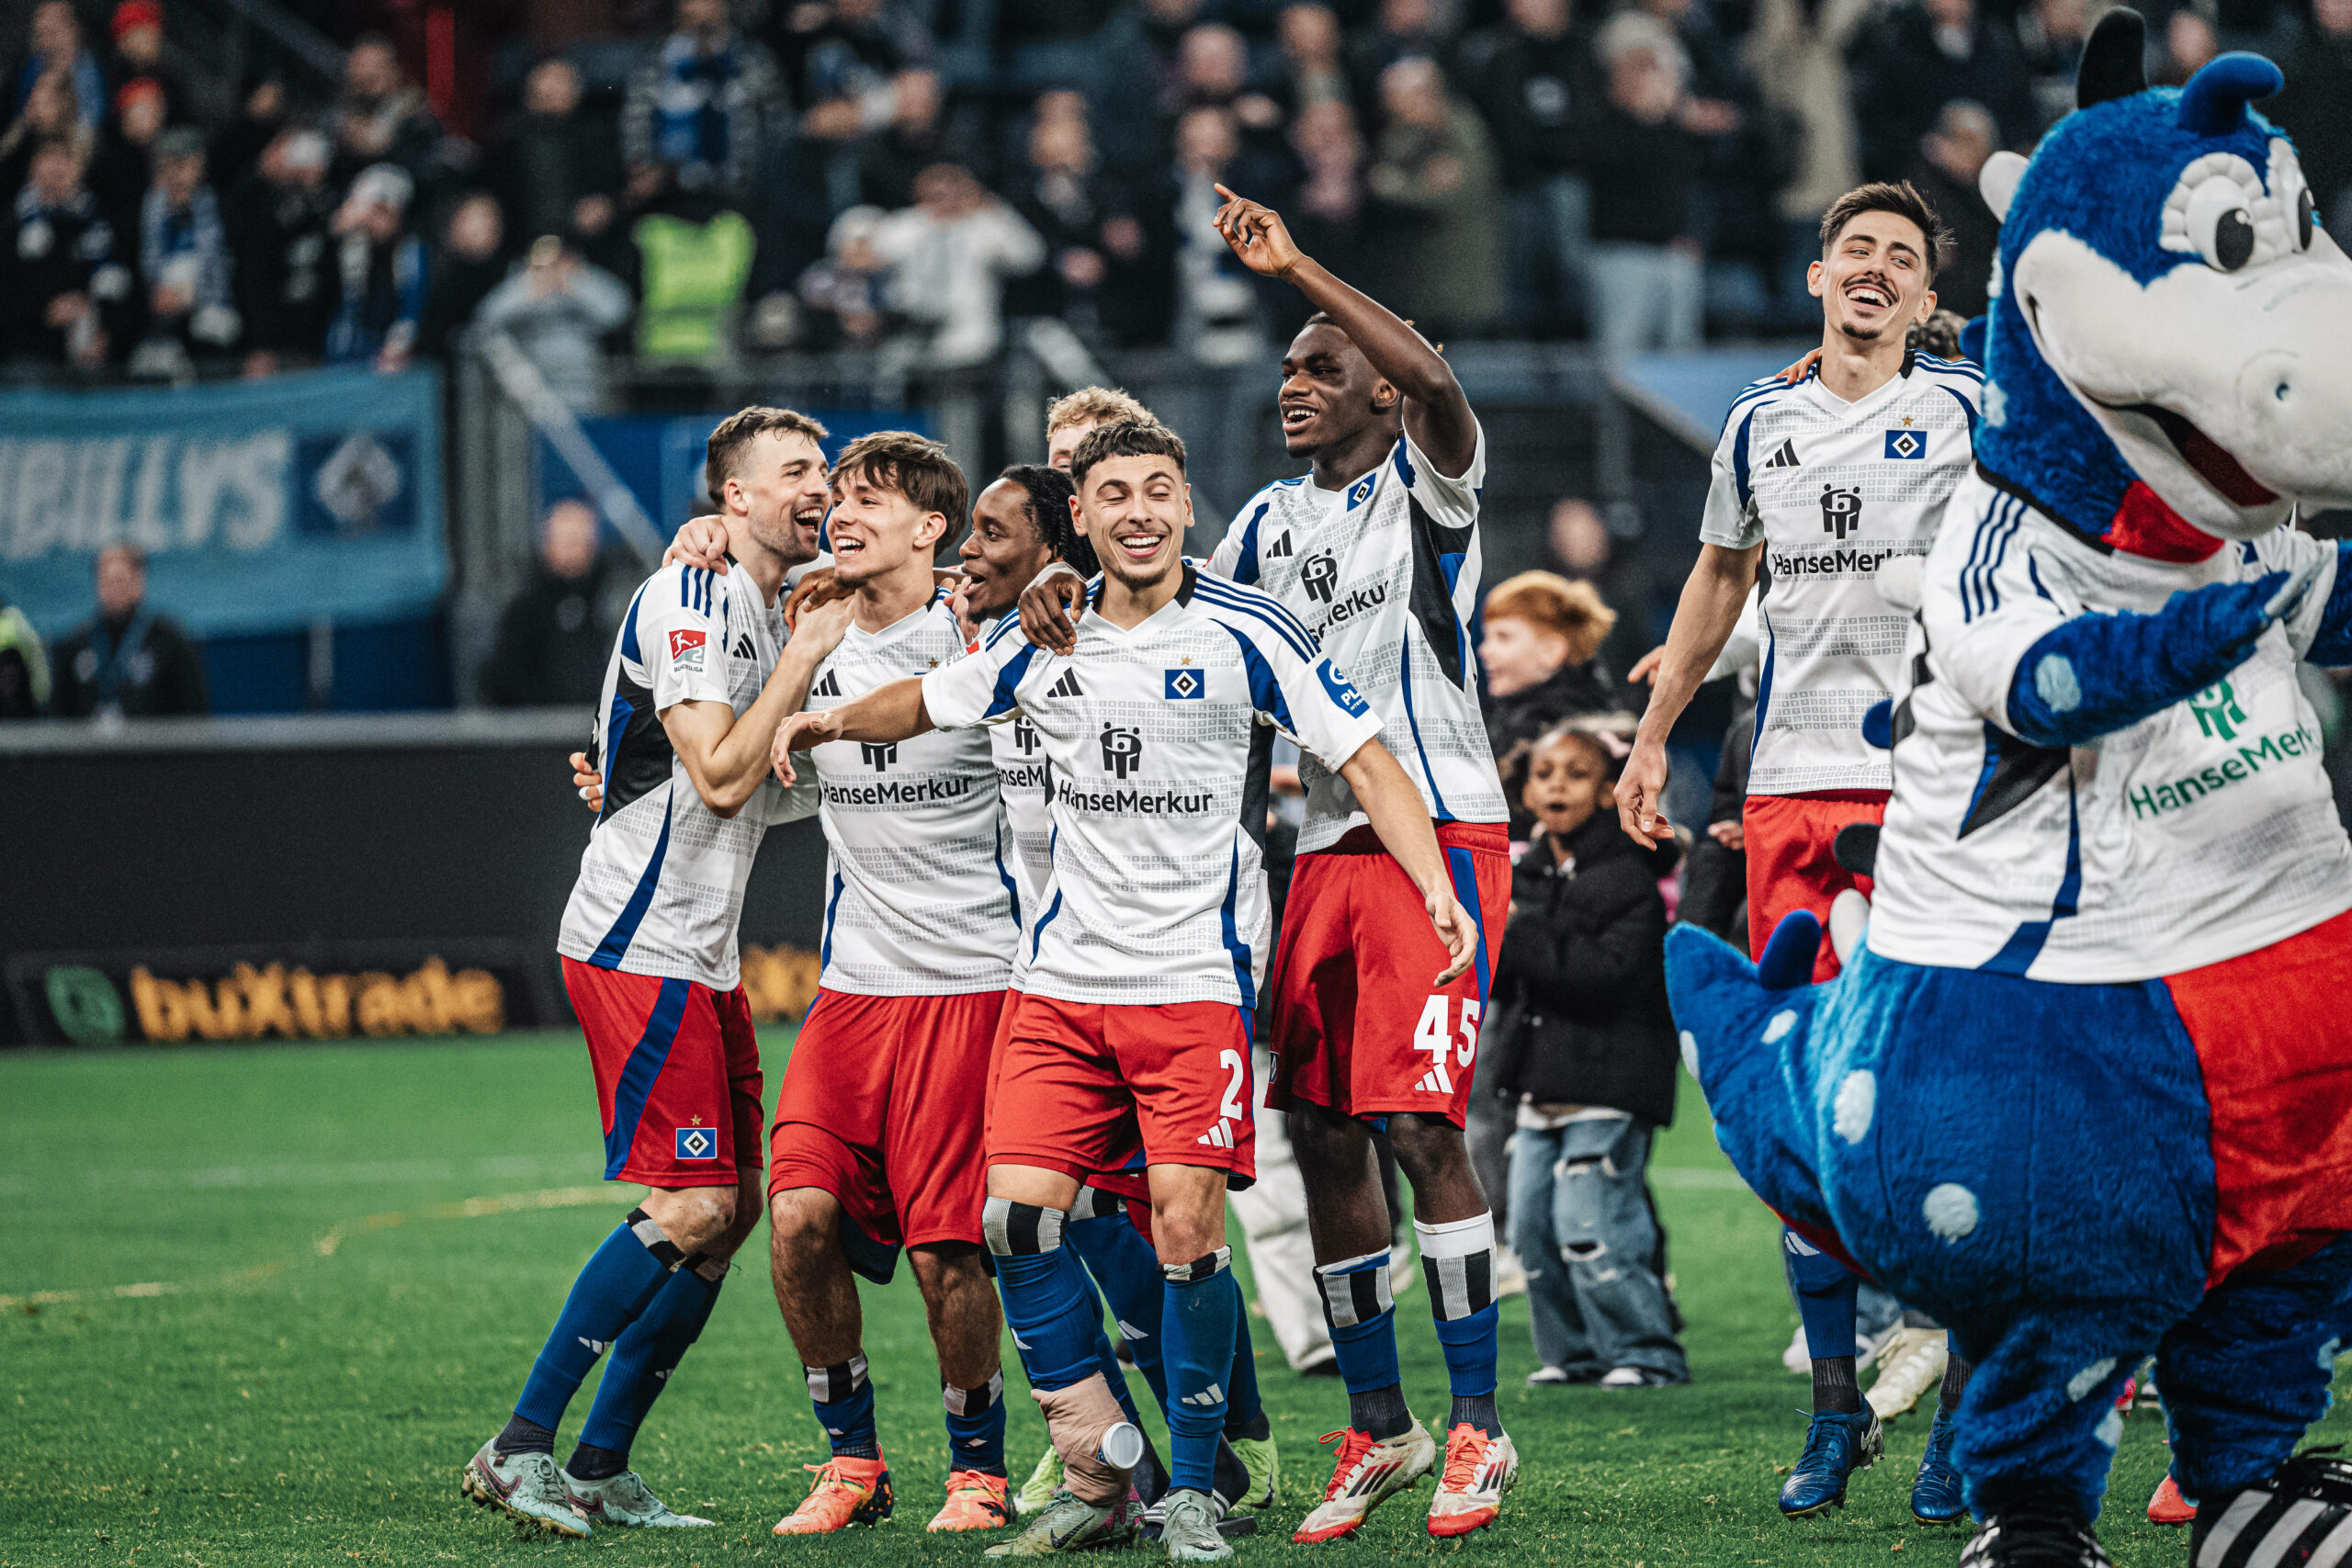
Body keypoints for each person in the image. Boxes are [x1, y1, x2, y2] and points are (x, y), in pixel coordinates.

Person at [776, 418, 1477, 1562]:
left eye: (1160, 488)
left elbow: (1363, 757)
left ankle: (1195, 1488)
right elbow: (936, 699)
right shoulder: (1036, 640)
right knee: (1012, 1219)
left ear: (1188, 506)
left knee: (1183, 1233)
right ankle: (1099, 1461)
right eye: (1115, 494)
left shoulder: (1249, 630)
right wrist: (831, 717)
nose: (1140, 510)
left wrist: (1432, 882)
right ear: (1087, 518)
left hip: (1189, 985)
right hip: (1058, 986)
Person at [1021, 187, 1520, 1543]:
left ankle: (1477, 1419)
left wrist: (1297, 264)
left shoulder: (1432, 483)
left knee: (1421, 1122)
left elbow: (1436, 376)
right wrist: (1055, 582)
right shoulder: (1253, 525)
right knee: (1322, 1134)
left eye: (1322, 369)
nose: (1294, 385)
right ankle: (1381, 1424)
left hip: (1441, 827)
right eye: (1290, 367)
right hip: (1313, 854)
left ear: (1378, 390)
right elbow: (1179, 637)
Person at [1611, 179, 1982, 1524]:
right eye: (1856, 252)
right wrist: (1656, 735)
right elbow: (1722, 578)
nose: (1876, 269)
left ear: (1930, 302)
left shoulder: (1966, 412)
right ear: (1818, 278)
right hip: (1786, 791)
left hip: (1932, 788)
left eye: (1903, 258)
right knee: (1802, 1104)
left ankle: (1962, 1423)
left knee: (1944, 1100)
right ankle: (1836, 1409)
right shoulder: (1761, 422)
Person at [461, 408, 848, 1539]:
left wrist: (836, 745)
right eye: (792, 472)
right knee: (690, 1203)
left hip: (701, 950)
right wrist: (805, 672)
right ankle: (517, 1446)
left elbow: (761, 783)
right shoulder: (689, 597)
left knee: (728, 1221)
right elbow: (724, 779)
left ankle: (597, 1465)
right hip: (637, 942)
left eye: (821, 467)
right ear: (732, 498)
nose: (815, 487)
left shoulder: (781, 601)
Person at [753, 433, 1023, 1539]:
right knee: (798, 1222)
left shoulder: (985, 637)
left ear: (931, 531)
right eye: (840, 498)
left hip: (971, 985)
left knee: (948, 1251)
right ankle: (851, 1461)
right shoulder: (807, 634)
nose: (844, 513)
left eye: (873, 500)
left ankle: (979, 1470)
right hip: (855, 988)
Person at [1486, 724, 1687, 1387]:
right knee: (1535, 1233)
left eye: (1574, 774)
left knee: (1593, 1224)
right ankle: (1572, 1355)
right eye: (1544, 773)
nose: (1556, 786)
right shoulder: (1526, 871)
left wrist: (1519, 930)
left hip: (1610, 1079)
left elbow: (1606, 976)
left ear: (1607, 792)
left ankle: (1645, 1352)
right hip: (1540, 1083)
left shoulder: (1627, 877)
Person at [1478, 570, 1621, 787]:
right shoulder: (1507, 718)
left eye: (1503, 637)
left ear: (1551, 651)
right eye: (1487, 637)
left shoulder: (1559, 736)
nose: (1484, 651)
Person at [3, 135, 129, 368]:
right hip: (31, 348)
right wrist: (45, 312)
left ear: (79, 169)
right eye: (48, 158)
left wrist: (106, 331)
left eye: (65, 159)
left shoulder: (98, 220)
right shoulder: (14, 223)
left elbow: (122, 284)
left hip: (93, 350)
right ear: (33, 168)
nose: (56, 166)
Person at [481, 500, 619, 709]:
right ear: (547, 545)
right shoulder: (525, 610)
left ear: (593, 544)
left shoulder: (615, 600)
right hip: (542, 731)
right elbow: (508, 678)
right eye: (564, 542)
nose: (571, 552)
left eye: (578, 541)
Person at [475, 236, 634, 412]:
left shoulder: (582, 279)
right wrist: (528, 288)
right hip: (532, 390)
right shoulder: (523, 284)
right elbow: (487, 316)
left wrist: (575, 284)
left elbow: (617, 311)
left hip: (582, 387)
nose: (551, 268)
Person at [228, 126, 337, 375]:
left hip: (318, 338)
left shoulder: (332, 209)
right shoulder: (263, 207)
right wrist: (261, 343)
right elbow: (254, 278)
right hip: (274, 339)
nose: (310, 169)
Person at [51, 545, 208, 719]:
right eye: (106, 581)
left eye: (120, 581)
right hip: (90, 745)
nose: (114, 589)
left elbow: (193, 709)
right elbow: (59, 713)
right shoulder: (76, 644)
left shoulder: (170, 641)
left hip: (153, 745)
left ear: (139, 580)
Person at [133, 125, 237, 376]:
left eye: (184, 163)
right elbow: (141, 264)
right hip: (159, 320)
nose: (176, 173)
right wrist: (155, 291)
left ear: (198, 164)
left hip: (211, 316)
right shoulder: (147, 210)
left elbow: (229, 265)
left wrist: (196, 295)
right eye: (168, 164)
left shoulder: (221, 206)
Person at [323, 162, 426, 371]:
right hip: (334, 360)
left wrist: (399, 344)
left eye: (383, 211)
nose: (373, 219)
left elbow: (413, 306)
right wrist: (332, 234)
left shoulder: (411, 252)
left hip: (384, 361)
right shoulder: (340, 244)